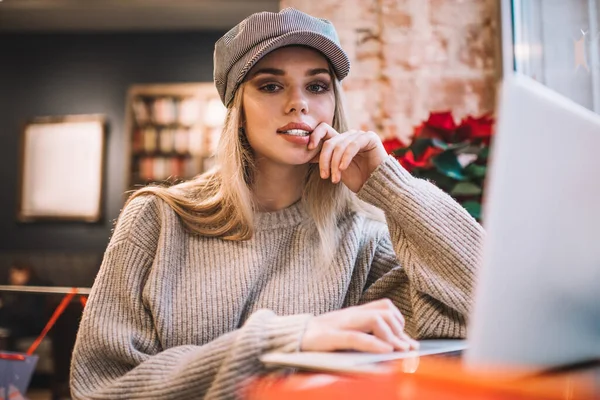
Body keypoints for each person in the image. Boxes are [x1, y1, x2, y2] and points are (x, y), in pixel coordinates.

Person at [70, 8, 484, 400]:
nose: (298, 102)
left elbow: (482, 311)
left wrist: (393, 187)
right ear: (238, 108)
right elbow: (101, 385)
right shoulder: (157, 219)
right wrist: (284, 341)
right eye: (270, 85)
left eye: (317, 86)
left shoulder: (364, 240)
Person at [0, 262, 47, 351]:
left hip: (31, 329)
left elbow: (25, 314)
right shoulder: (18, 292)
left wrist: (3, 307)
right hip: (20, 327)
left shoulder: (33, 290)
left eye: (14, 273)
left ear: (25, 273)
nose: (11, 277)